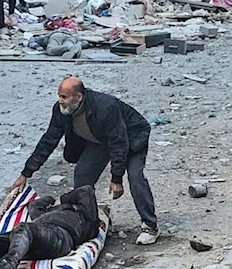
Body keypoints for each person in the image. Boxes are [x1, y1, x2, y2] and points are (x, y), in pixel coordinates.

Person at [10, 76, 160, 245]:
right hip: (99, 140)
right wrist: (26, 173)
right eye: (59, 96)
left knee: (135, 177)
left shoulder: (105, 107)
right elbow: (49, 140)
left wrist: (116, 179)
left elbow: (119, 142)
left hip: (132, 137)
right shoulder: (61, 110)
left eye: (64, 97)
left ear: (79, 97)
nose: (60, 101)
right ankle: (87, 223)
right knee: (82, 176)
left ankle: (150, 225)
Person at [0, 185, 100, 269]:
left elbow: (86, 191)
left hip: (59, 238)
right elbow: (35, 205)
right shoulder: (47, 213)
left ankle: (8, 265)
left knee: (24, 228)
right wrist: (53, 202)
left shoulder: (86, 219)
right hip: (28, 239)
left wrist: (62, 200)